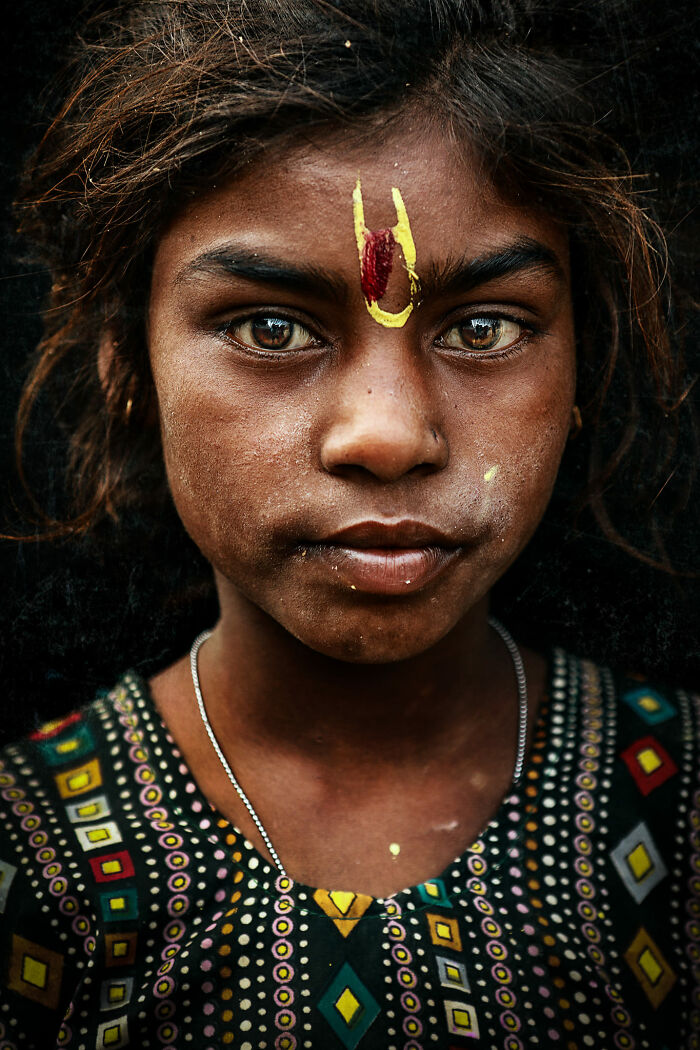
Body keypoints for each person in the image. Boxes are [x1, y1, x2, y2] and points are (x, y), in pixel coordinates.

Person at [0, 1, 697, 1047]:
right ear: (128, 367)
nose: (386, 435)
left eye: (483, 326)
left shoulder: (681, 813)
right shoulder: (31, 852)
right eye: (270, 327)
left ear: (578, 367)